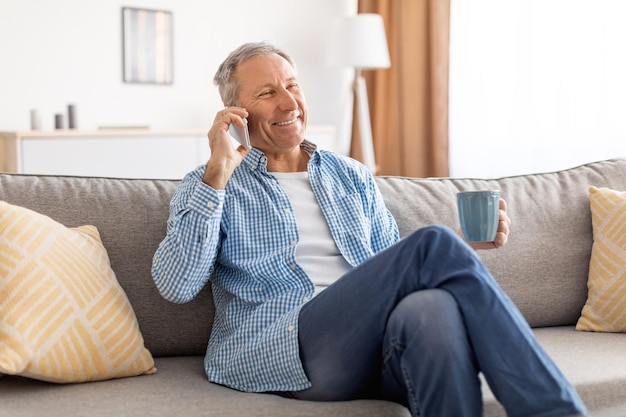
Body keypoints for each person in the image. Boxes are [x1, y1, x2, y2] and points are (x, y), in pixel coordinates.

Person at [151, 41, 587, 417]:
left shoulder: (350, 175)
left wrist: (464, 248)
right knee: (433, 243)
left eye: (293, 85)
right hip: (284, 346)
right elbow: (176, 284)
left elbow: (387, 269)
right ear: (235, 114)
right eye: (268, 93)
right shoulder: (211, 184)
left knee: (431, 308)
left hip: (372, 342)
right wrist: (217, 175)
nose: (288, 102)